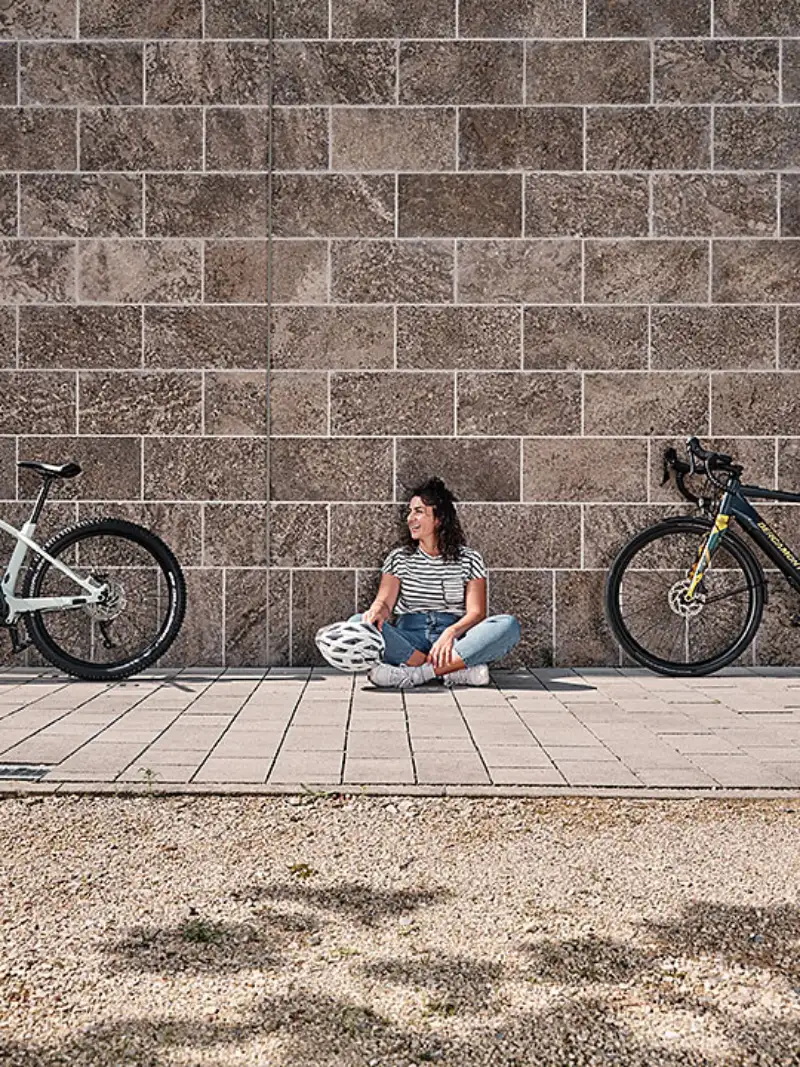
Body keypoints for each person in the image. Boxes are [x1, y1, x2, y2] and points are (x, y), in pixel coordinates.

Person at [351, 477, 521, 688]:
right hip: (409, 640)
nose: (410, 518)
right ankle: (451, 671)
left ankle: (417, 674)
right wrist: (376, 611)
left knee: (508, 626)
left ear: (439, 518)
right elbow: (384, 603)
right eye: (410, 511)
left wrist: (450, 633)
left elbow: (476, 613)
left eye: (419, 511)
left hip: (454, 641)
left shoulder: (469, 559)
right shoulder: (398, 558)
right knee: (357, 623)